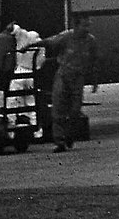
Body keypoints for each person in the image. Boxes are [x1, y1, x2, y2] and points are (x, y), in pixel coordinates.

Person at [23, 13, 98, 152]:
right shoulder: (66, 37)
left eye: (89, 25)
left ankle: (69, 135)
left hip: (78, 78)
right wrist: (30, 45)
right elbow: (49, 41)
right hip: (63, 75)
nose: (87, 28)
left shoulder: (91, 41)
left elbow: (93, 62)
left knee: (75, 110)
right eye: (84, 25)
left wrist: (94, 81)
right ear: (76, 25)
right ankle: (59, 141)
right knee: (58, 108)